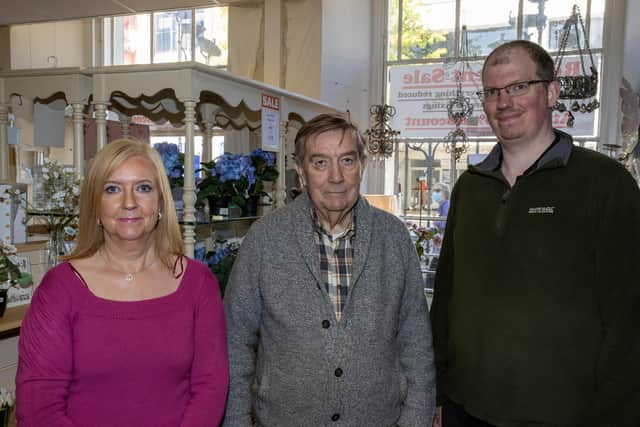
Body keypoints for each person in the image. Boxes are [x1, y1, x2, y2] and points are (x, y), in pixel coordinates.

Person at [431, 40, 640, 427]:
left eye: (518, 87)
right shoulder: (470, 187)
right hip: (465, 409)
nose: (503, 102)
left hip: (566, 415)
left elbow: (629, 319)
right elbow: (445, 297)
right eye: (492, 91)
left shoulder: (605, 184)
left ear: (552, 92)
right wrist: (439, 391)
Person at [223, 113, 436, 426]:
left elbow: (416, 340)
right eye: (320, 162)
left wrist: (416, 419)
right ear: (301, 172)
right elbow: (235, 340)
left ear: (361, 165)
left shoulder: (393, 237)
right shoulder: (265, 239)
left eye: (347, 160)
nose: (336, 176)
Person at [16, 139, 229, 426]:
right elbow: (38, 407)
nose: (129, 202)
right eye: (112, 189)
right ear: (95, 205)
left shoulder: (198, 284)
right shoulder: (59, 290)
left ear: (161, 203)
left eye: (143, 188)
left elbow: (210, 387)